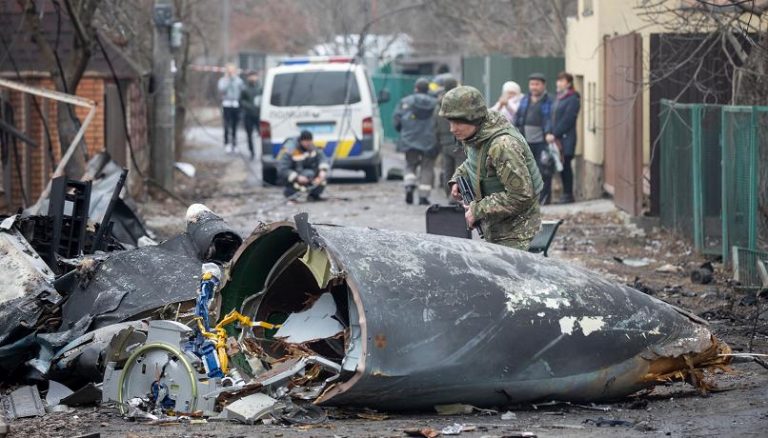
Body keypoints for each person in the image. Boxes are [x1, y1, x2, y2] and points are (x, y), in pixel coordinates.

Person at [441, 86, 543, 250]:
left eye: (458, 122)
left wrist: (477, 210)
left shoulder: (503, 146)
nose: (452, 129)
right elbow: (474, 163)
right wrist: (458, 179)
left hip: (517, 234)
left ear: (474, 118)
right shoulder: (477, 135)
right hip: (497, 228)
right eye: (450, 122)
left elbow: (521, 196)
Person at [393, 78, 439, 205]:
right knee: (427, 167)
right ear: (427, 89)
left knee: (410, 164)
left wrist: (401, 130)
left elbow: (397, 119)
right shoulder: (435, 103)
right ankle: (423, 196)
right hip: (429, 140)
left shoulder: (405, 101)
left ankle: (409, 184)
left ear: (416, 88)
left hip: (410, 139)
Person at [515, 72, 554, 204]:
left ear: (543, 85)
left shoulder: (549, 100)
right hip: (526, 141)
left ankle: (545, 199)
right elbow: (518, 118)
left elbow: (551, 119)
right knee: (527, 171)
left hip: (542, 141)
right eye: (532, 84)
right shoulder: (525, 99)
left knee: (544, 170)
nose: (534, 87)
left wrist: (549, 132)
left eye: (537, 84)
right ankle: (530, 199)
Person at [547, 72, 581, 204]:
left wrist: (555, 133)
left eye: (562, 81)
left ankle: (568, 194)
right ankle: (564, 193)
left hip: (566, 138)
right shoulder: (559, 98)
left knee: (566, 165)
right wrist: (549, 132)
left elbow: (568, 119)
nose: (558, 83)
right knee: (560, 166)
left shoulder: (573, 98)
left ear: (569, 83)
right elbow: (552, 117)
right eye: (558, 80)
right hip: (556, 138)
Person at [433, 75, 465, 198]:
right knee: (460, 169)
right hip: (459, 140)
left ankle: (448, 193)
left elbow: (435, 124)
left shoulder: (438, 104)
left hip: (444, 142)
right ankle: (456, 196)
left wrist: (438, 140)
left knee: (447, 169)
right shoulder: (460, 102)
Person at [277, 130, 329, 201]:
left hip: (309, 175)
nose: (308, 143)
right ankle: (291, 196)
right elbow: (282, 168)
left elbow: (322, 158)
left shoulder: (313, 148)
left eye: (309, 141)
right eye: (306, 141)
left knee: (322, 179)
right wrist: (297, 177)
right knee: (291, 185)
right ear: (301, 141)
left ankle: (314, 195)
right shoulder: (290, 150)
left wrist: (322, 171)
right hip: (296, 176)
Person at [217, 63, 244, 153]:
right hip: (227, 104)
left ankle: (234, 144)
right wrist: (229, 81)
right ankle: (227, 143)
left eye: (232, 70)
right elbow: (222, 90)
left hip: (235, 104)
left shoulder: (239, 80)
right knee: (226, 124)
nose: (231, 72)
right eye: (229, 70)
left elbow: (242, 90)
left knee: (234, 125)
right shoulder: (223, 80)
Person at [239, 71, 262, 161]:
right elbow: (241, 101)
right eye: (251, 76)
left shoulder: (260, 88)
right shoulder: (244, 89)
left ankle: (262, 152)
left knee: (262, 135)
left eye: (254, 76)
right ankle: (252, 152)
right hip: (248, 115)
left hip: (258, 115)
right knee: (249, 135)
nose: (253, 78)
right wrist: (249, 106)